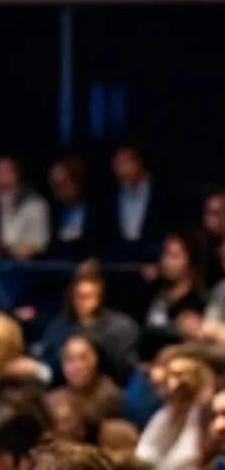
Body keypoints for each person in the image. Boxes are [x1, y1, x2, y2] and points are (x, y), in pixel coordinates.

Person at [35, 257, 141, 387]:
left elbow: (125, 368)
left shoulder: (121, 327)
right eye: (79, 297)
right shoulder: (58, 326)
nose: (83, 302)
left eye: (89, 297)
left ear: (100, 296)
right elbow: (47, 362)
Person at [138, 349, 215, 470]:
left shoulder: (204, 417)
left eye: (180, 375)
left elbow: (188, 459)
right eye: (171, 375)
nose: (174, 383)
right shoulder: (164, 414)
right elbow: (144, 454)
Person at [141, 230, 216, 358]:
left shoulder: (199, 302)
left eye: (174, 256)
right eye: (165, 254)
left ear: (191, 262)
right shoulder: (153, 292)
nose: (166, 261)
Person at [47, 332, 125, 444]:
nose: (77, 366)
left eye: (83, 358)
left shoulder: (109, 394)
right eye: (69, 360)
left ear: (96, 359)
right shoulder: (53, 399)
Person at [104, 142, 163, 262]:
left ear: (139, 163)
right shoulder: (109, 196)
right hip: (119, 263)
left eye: (124, 163)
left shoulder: (161, 194)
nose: (119, 170)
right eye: (116, 164)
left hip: (151, 265)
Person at [45, 155, 91, 259]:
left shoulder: (95, 212)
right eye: (56, 186)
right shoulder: (54, 214)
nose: (59, 190)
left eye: (64, 184)